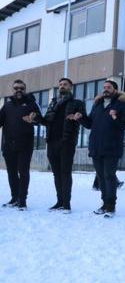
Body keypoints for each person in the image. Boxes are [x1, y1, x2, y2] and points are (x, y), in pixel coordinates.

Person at [73, 80, 125, 218]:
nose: (106, 89)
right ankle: (104, 204)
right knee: (101, 177)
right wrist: (81, 118)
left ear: (115, 90)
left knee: (109, 176)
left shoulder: (122, 104)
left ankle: (111, 206)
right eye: (104, 87)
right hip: (96, 146)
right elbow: (90, 124)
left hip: (112, 147)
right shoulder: (97, 104)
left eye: (109, 87)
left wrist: (115, 117)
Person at [40, 78, 86, 214]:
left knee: (65, 173)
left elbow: (84, 119)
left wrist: (79, 116)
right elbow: (46, 121)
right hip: (51, 141)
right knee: (56, 173)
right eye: (60, 84)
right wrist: (36, 118)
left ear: (71, 87)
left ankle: (66, 204)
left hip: (67, 142)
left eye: (65, 84)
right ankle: (59, 201)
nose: (62, 86)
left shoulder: (77, 103)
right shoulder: (53, 102)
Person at [0, 80, 42, 210]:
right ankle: (14, 198)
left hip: (25, 145)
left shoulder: (31, 103)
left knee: (23, 172)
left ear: (25, 89)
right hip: (8, 145)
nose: (19, 90)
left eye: (21, 88)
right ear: (12, 90)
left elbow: (40, 119)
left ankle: (22, 200)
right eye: (16, 88)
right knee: (11, 173)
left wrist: (34, 118)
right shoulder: (7, 106)